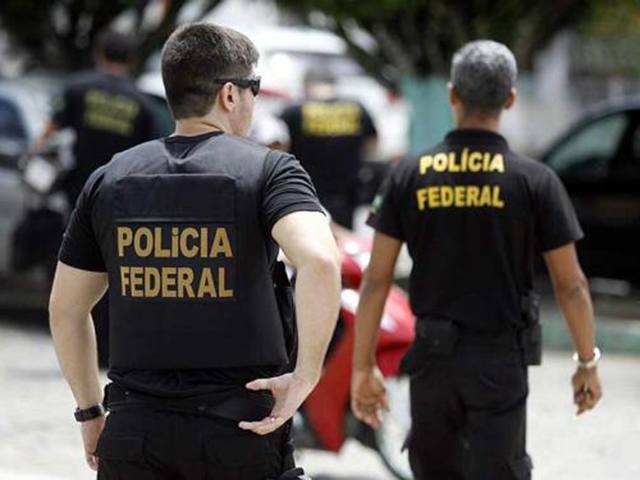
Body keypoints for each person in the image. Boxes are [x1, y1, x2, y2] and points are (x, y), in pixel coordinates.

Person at [49, 23, 341, 480]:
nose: (255, 99)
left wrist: (89, 412)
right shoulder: (270, 171)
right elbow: (320, 260)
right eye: (254, 87)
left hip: (134, 433)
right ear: (230, 94)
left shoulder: (109, 178)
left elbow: (66, 308)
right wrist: (305, 377)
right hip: (238, 433)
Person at [350, 40, 603, 480]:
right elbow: (572, 285)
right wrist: (586, 363)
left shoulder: (408, 175)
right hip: (499, 363)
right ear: (510, 99)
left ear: (452, 94)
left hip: (431, 363)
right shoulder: (535, 181)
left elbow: (375, 279)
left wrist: (363, 367)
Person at [35, 29, 157, 206]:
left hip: (78, 185)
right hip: (118, 191)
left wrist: (34, 152)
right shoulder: (144, 103)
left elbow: (50, 130)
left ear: (99, 53)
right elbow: (149, 155)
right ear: (131, 59)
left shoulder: (78, 88)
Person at [280, 68, 378, 229]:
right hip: (347, 193)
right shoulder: (356, 108)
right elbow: (372, 144)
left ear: (308, 84)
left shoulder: (294, 111)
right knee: (343, 237)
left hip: (305, 190)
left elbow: (277, 147)